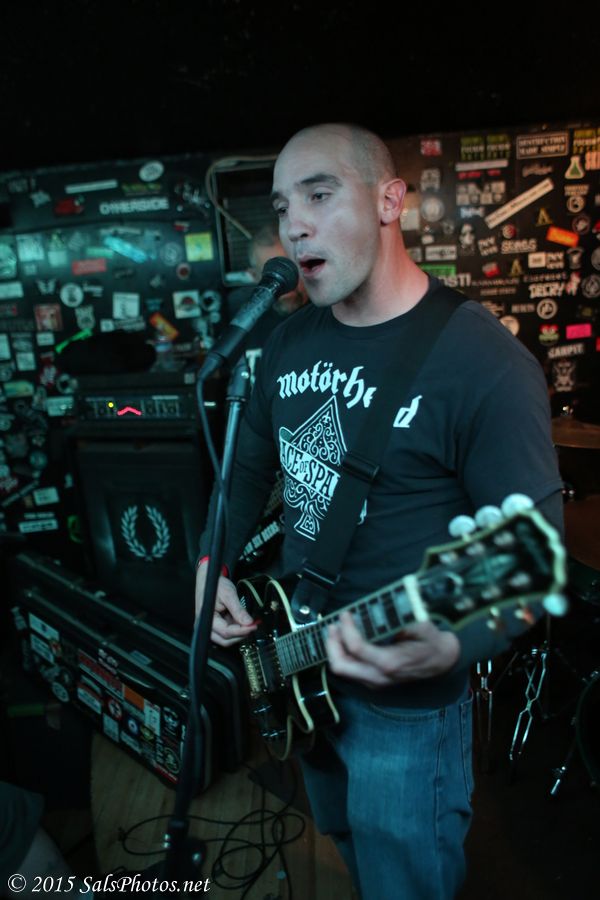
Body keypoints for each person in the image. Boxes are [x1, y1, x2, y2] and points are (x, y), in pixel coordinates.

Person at [195, 123, 564, 900]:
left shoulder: (482, 361)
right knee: (352, 855)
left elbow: (532, 555)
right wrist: (211, 562)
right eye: (282, 206)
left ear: (390, 200)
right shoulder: (286, 344)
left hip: (407, 710)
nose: (295, 225)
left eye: (319, 195)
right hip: (300, 666)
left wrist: (454, 641)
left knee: (405, 884)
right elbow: (244, 474)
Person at [225, 222, 307, 374]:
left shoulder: (331, 316)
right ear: (254, 276)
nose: (283, 284)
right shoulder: (242, 324)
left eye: (288, 269)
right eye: (271, 275)